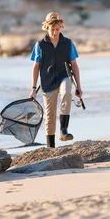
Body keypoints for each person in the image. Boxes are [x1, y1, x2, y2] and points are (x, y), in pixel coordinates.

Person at [29, 12, 83, 148]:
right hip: (47, 82)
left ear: (60, 28)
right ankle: (51, 148)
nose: (54, 32)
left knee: (67, 92)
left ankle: (64, 131)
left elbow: (75, 66)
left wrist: (79, 86)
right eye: (52, 29)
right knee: (50, 116)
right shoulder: (40, 45)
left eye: (57, 29)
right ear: (47, 28)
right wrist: (33, 89)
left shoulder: (68, 44)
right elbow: (36, 67)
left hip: (64, 76)